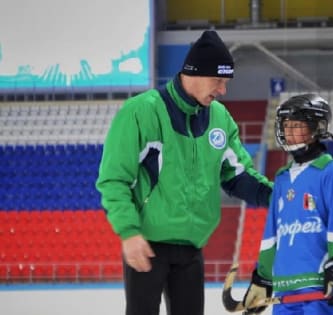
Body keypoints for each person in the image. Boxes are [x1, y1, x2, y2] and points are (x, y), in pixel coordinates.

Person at [96, 30, 273, 315]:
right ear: (195, 73)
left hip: (191, 249)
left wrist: (275, 197)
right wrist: (128, 233)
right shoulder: (141, 112)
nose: (223, 90)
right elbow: (114, 179)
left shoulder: (219, 118)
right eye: (218, 81)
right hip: (147, 247)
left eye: (226, 83)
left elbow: (237, 175)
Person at [242, 94, 333, 315]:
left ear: (316, 128)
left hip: (319, 289)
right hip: (285, 292)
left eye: (297, 126)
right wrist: (263, 279)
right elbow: (271, 235)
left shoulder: (331, 171)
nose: (289, 132)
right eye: (286, 126)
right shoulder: (282, 178)